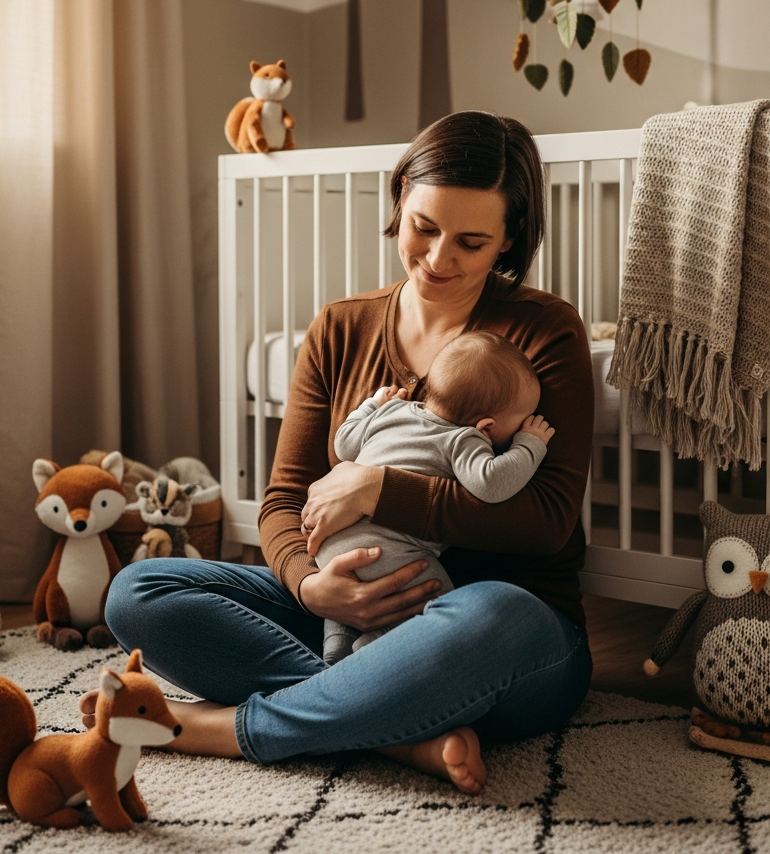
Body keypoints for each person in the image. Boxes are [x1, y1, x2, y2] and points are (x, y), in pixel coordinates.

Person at [85, 110, 594, 796]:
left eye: (471, 242)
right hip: (342, 612)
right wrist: (309, 585)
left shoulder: (545, 332)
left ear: (508, 241)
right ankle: (399, 732)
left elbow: (548, 520)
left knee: (494, 616)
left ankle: (221, 729)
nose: (439, 258)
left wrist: (379, 487)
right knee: (139, 590)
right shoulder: (340, 328)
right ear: (398, 204)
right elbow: (283, 500)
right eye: (424, 228)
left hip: (494, 630)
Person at [316, 330, 555, 664]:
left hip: (331, 544)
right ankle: (371, 648)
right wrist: (530, 444)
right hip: (386, 551)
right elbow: (491, 483)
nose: (521, 427)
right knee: (440, 603)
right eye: (518, 423)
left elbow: (344, 444)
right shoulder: (463, 439)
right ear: (486, 427)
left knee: (348, 599)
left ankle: (336, 649)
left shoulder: (393, 411)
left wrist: (372, 404)